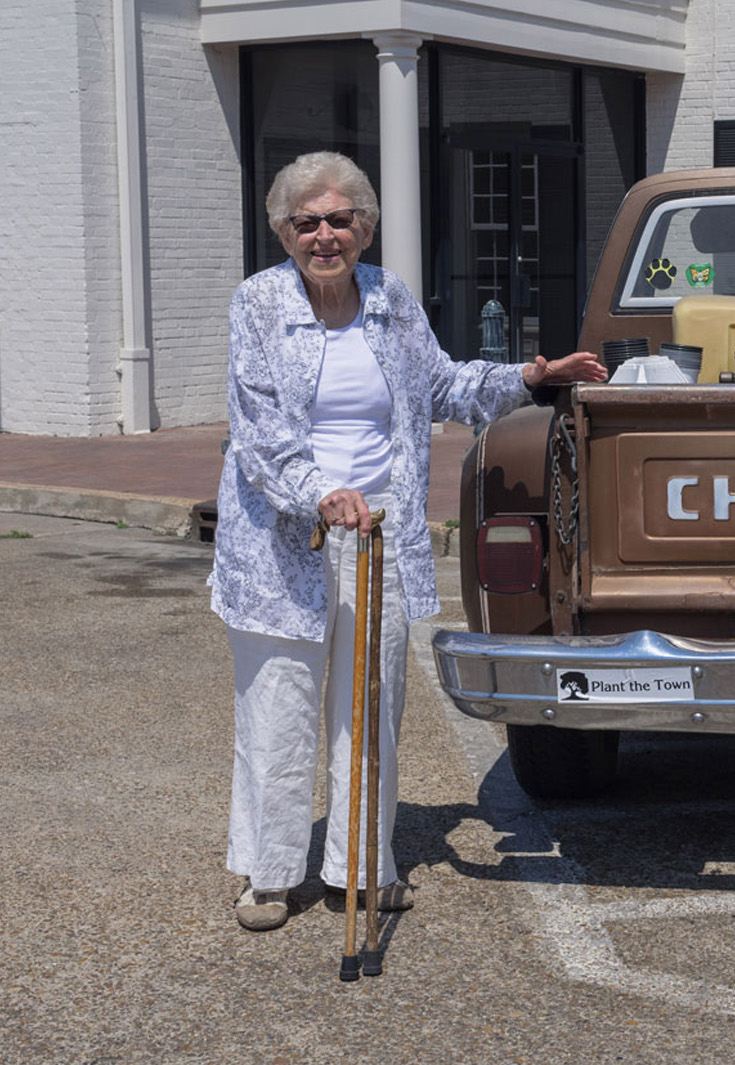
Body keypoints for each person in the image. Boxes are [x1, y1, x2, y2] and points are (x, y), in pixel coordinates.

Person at [209, 151, 606, 931]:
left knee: (370, 707)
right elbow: (259, 431)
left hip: (376, 532)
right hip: (282, 538)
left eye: (340, 219)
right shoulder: (256, 304)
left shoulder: (390, 298)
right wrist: (321, 492)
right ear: (285, 233)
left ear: (364, 225)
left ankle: (362, 865)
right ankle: (270, 872)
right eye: (307, 222)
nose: (325, 235)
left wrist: (529, 378)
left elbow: (444, 385)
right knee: (278, 708)